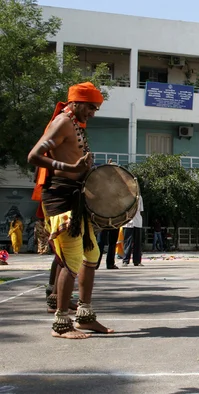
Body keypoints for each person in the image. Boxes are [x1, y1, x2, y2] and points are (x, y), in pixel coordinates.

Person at [28, 81, 114, 338]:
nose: (92, 113)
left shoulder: (75, 123)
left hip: (76, 198)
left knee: (92, 254)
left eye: (95, 108)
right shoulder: (63, 122)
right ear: (76, 102)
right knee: (71, 259)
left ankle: (85, 316)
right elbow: (33, 156)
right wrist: (71, 168)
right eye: (90, 107)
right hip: (60, 197)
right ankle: (61, 323)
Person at [122, 194, 144, 266]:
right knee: (127, 242)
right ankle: (125, 260)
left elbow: (140, 209)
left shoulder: (139, 197)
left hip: (137, 222)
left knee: (137, 243)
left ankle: (137, 261)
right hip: (128, 223)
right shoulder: (125, 196)